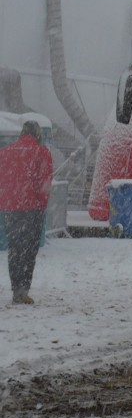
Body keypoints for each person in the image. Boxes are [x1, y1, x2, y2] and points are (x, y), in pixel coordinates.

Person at [0, 121, 54, 305]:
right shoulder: (42, 152)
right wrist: (42, 205)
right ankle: (23, 290)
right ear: (37, 134)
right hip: (32, 208)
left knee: (14, 250)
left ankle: (16, 290)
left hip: (10, 208)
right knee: (29, 251)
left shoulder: (5, 152)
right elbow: (44, 184)